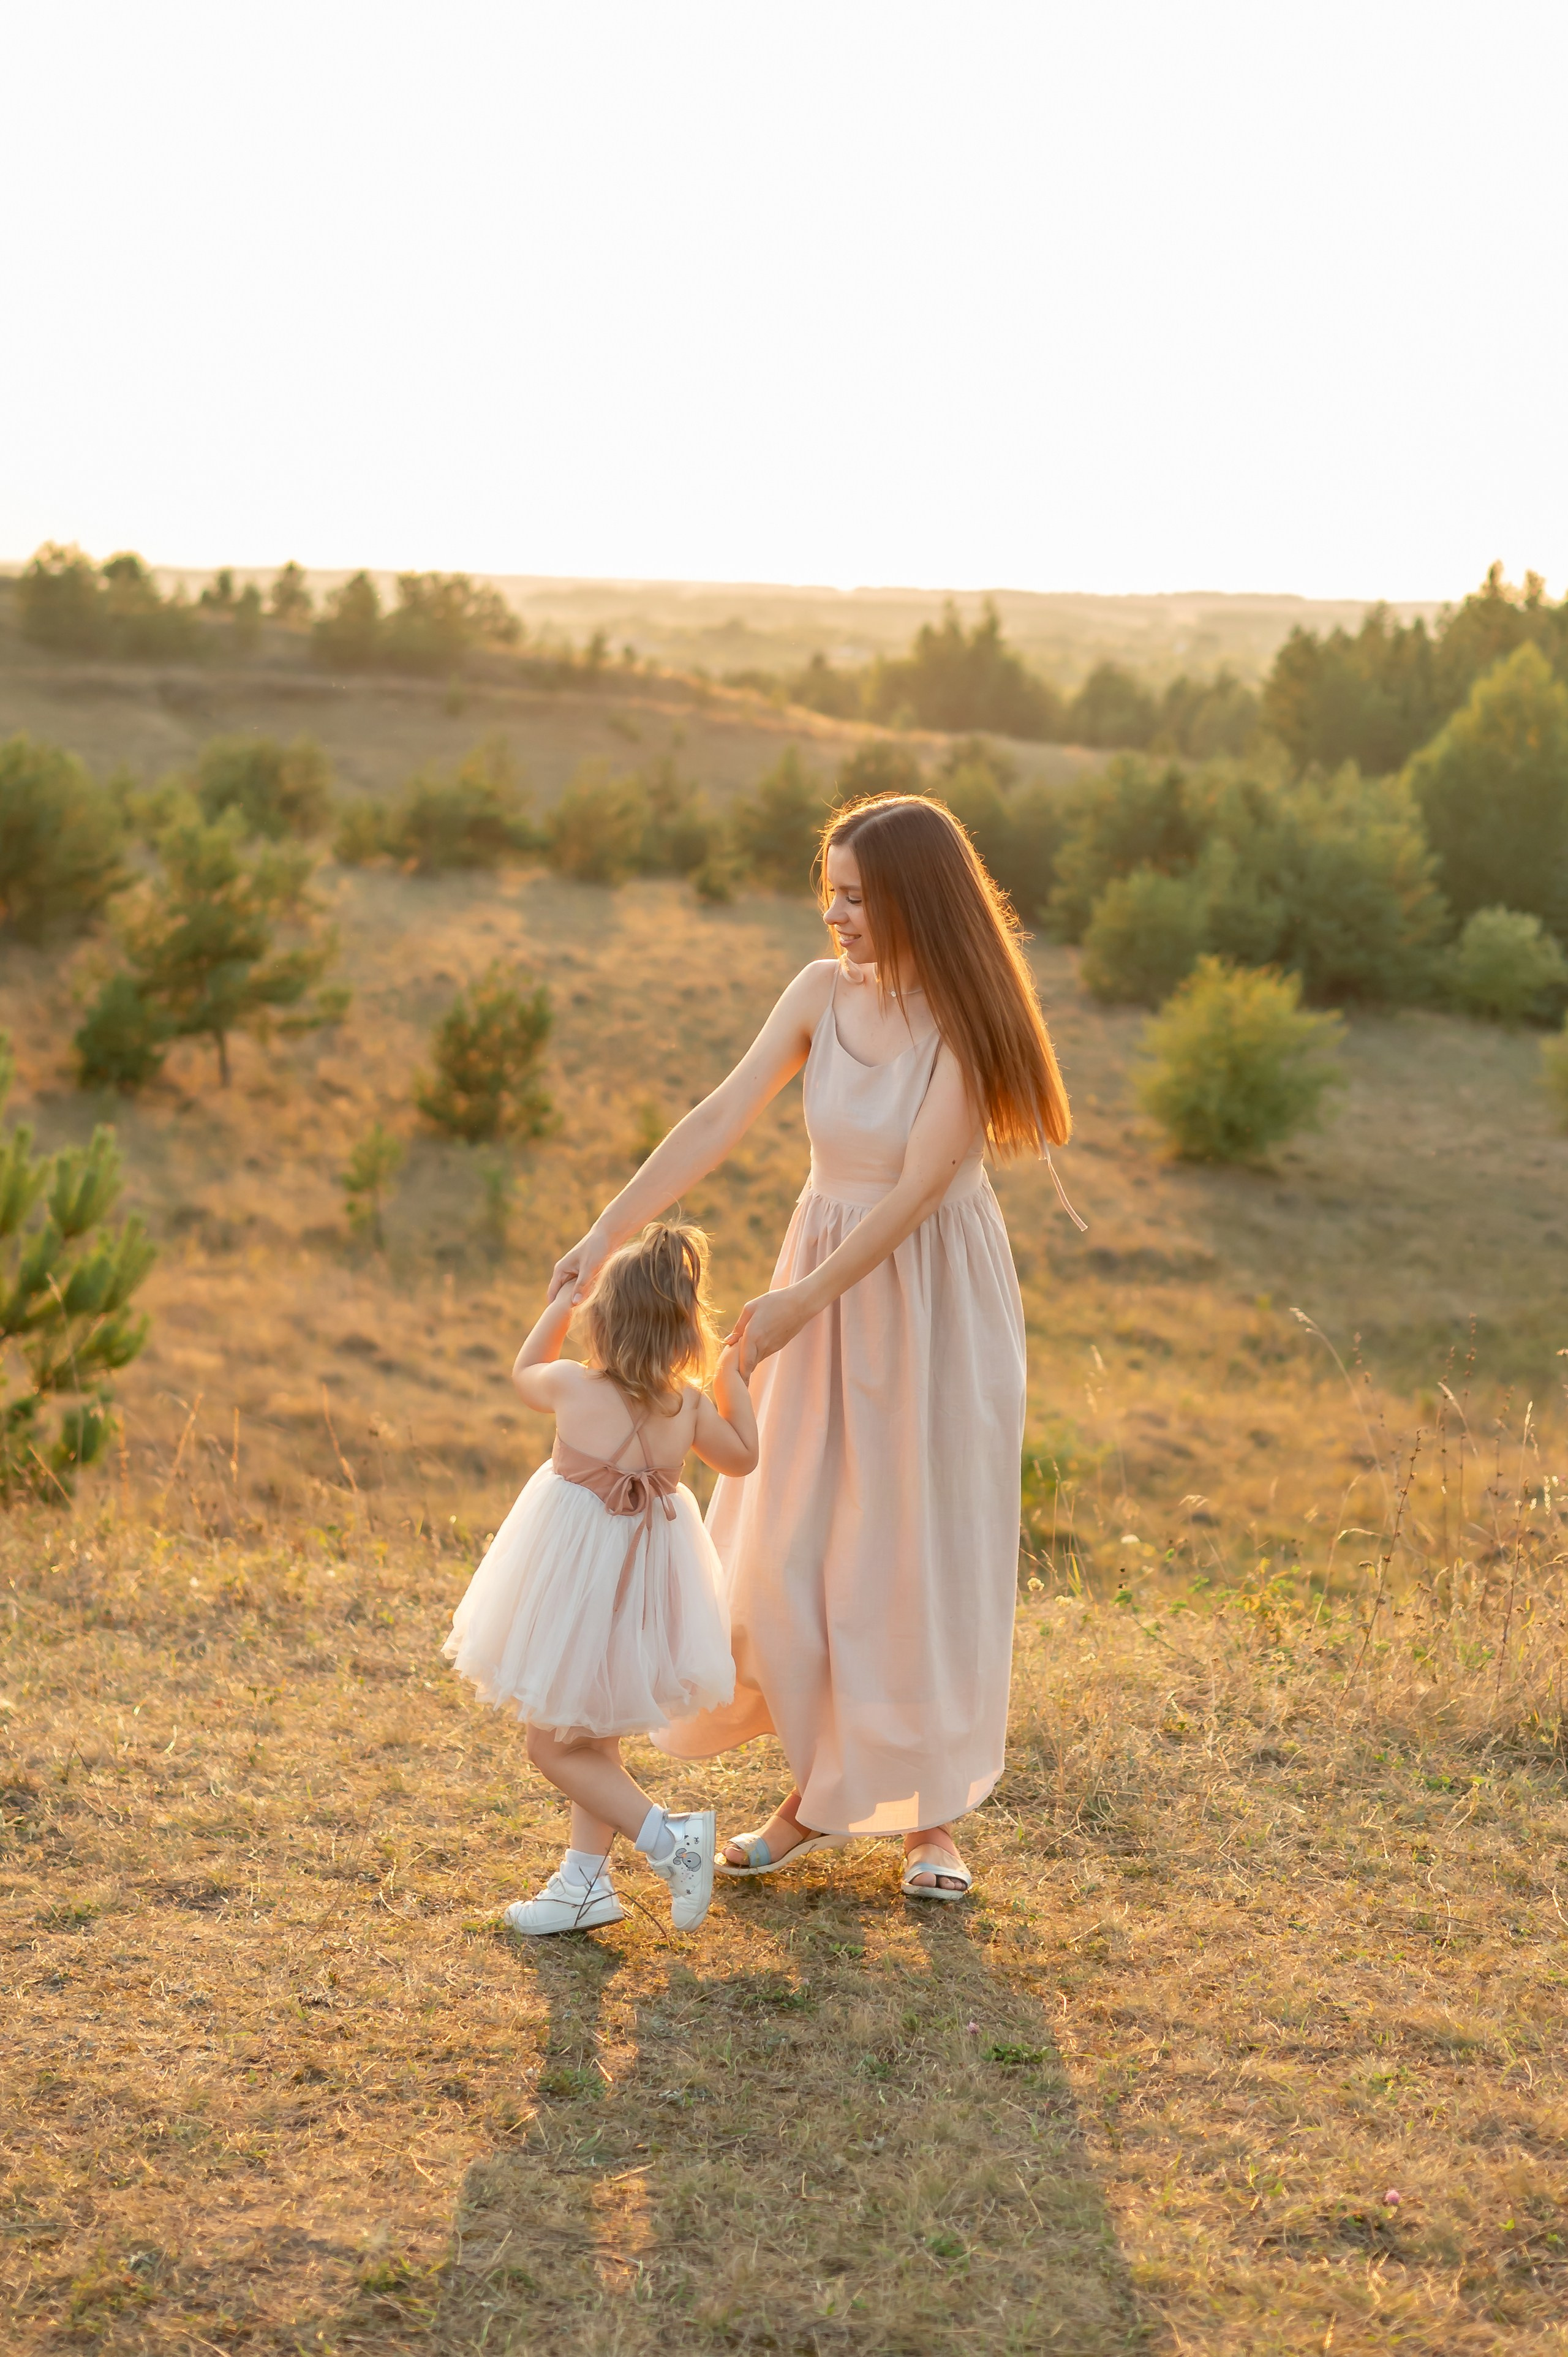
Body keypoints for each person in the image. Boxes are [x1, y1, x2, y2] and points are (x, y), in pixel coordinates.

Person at [548, 793, 1073, 1901]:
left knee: (911, 1551)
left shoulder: (964, 1021)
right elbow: (717, 1116)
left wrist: (800, 1301)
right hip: (818, 1270)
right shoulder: (817, 994)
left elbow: (922, 1188)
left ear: (917, 901)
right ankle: (814, 1794)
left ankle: (931, 1821)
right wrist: (604, 1233)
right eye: (828, 890)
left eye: (857, 897)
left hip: (926, 1295)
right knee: (785, 1547)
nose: (834, 914)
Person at [443, 1221, 758, 1935]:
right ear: (684, 1330)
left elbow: (523, 1373)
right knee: (596, 1731)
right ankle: (585, 1882)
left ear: (603, 1321)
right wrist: (732, 1378)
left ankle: (669, 1842)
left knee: (551, 1744)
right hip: (645, 1586)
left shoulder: (570, 1384)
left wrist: (558, 1300)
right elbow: (742, 1458)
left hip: (575, 1582)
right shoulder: (688, 1405)